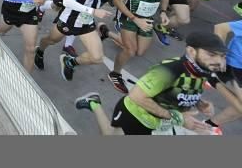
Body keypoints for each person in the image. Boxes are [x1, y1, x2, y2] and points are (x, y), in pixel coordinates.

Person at [75, 31, 233, 135]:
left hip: (157, 121)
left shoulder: (203, 68)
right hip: (135, 115)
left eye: (221, 56)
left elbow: (180, 89)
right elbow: (137, 96)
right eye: (212, 54)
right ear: (191, 51)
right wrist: (177, 118)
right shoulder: (169, 70)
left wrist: (199, 102)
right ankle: (94, 103)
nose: (218, 61)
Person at [35, 0, 113, 81]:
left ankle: (69, 62)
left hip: (86, 22)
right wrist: (93, 11)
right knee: (51, 40)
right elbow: (67, 1)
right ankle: (39, 50)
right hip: (69, 21)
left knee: (97, 58)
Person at [108, 0, 172, 94]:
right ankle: (115, 74)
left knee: (139, 52)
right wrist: (135, 19)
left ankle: (106, 32)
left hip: (148, 20)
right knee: (129, 50)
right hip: (130, 18)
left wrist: (163, 11)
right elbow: (117, 0)